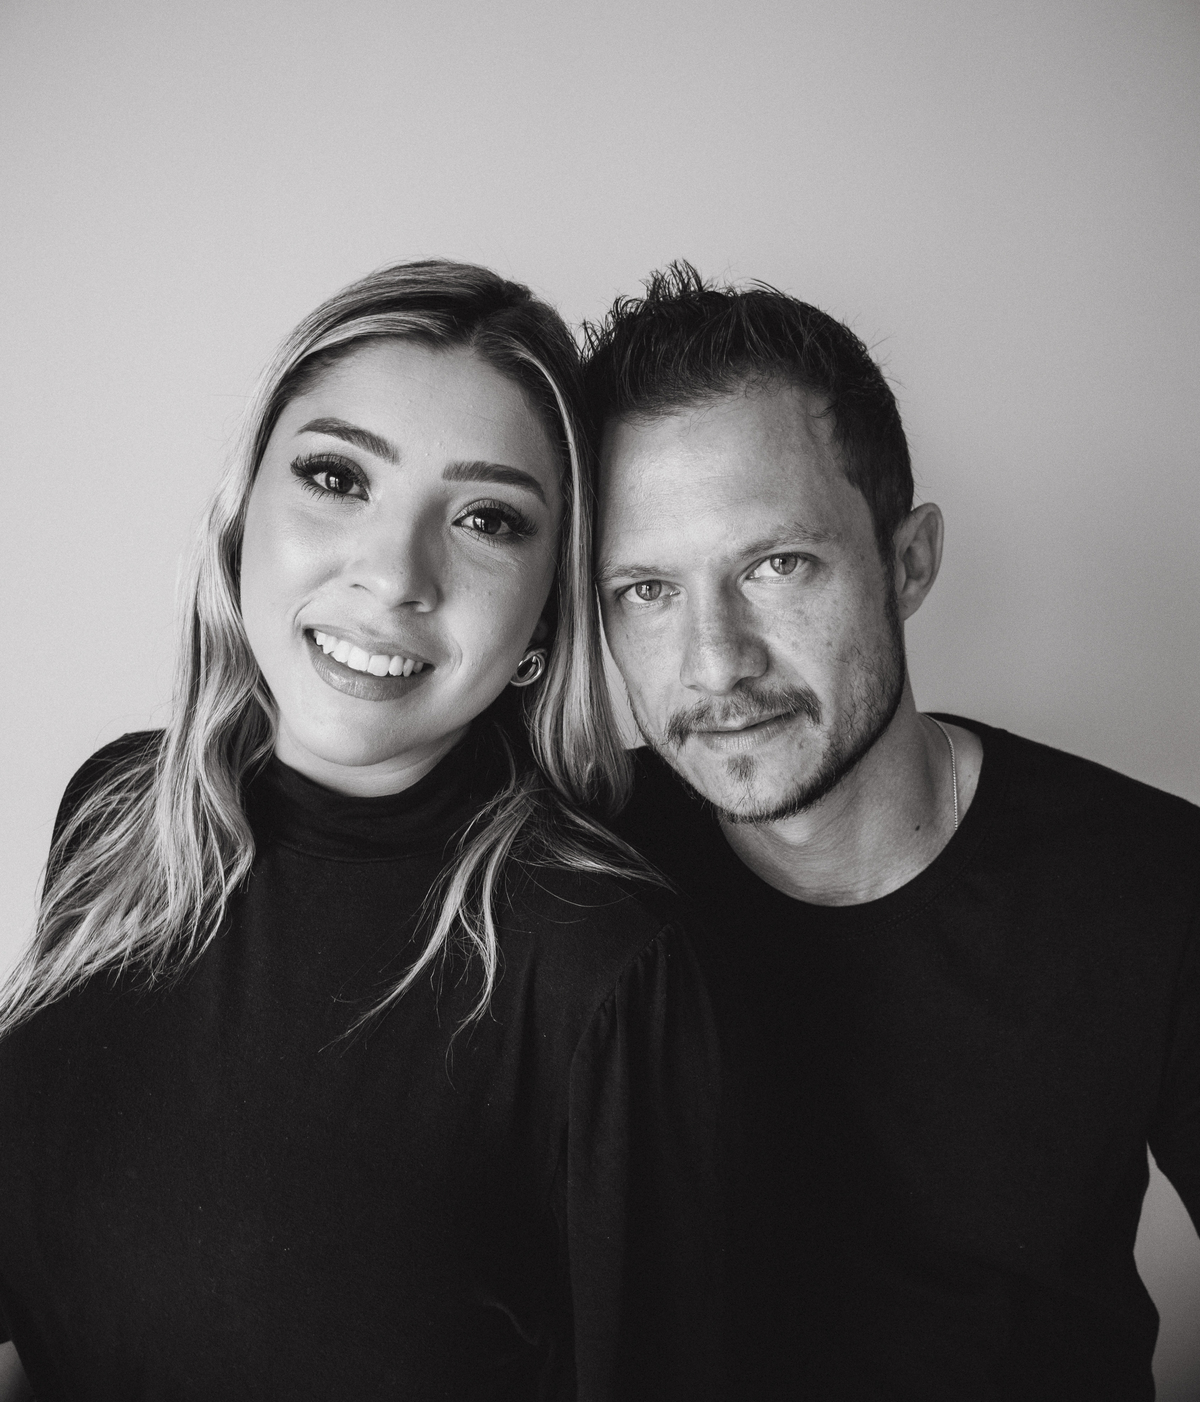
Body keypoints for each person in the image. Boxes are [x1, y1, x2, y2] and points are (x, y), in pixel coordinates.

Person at [0, 261, 726, 1402]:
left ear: (545, 612)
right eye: (338, 477)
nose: (394, 576)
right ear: (243, 513)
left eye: (487, 519)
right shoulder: (116, 812)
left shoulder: (593, 963)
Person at [582, 262, 1200, 1402]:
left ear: (907, 563)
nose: (715, 663)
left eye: (776, 565)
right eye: (647, 591)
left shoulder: (1155, 886)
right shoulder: (570, 869)